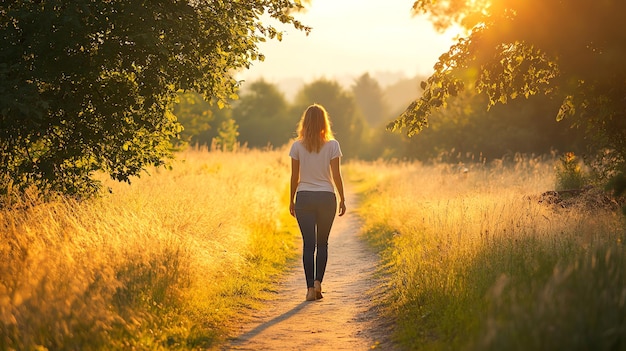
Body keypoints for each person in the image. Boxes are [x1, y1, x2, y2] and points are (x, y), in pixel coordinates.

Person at [289, 104, 346, 301]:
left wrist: (291, 200)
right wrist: (342, 198)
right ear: (324, 122)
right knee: (323, 244)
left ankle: (309, 290)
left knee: (308, 245)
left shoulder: (297, 146)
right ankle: (318, 283)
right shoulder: (333, 145)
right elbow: (336, 175)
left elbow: (294, 176)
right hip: (326, 197)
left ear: (305, 122)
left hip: (304, 197)